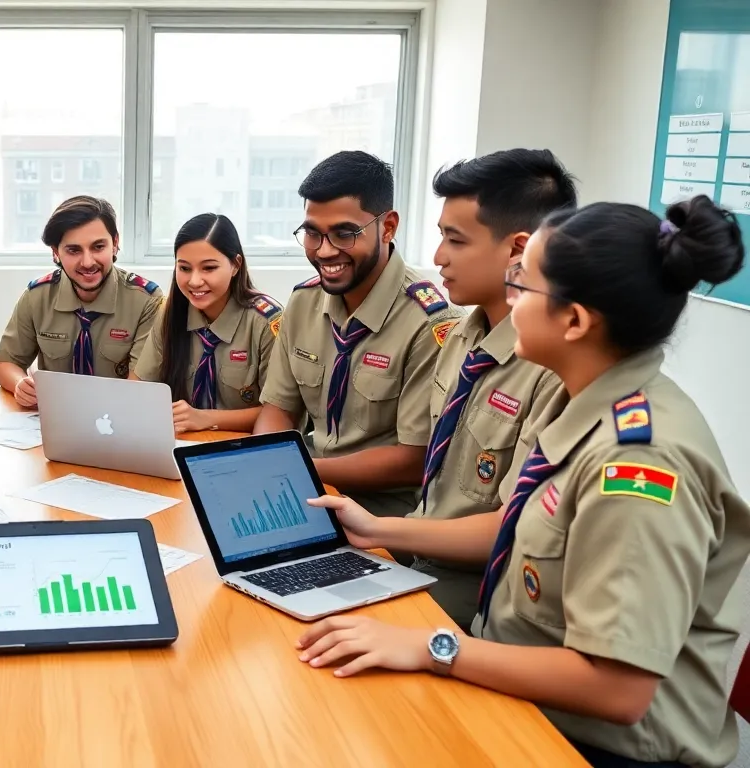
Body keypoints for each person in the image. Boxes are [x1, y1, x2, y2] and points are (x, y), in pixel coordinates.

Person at [297, 196, 749, 768]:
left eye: (522, 285)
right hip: (519, 686)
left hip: (598, 748)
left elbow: (617, 690)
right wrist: (376, 529)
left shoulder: (639, 466)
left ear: (576, 320)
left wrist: (433, 646)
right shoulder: (576, 398)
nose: (508, 300)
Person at [406, 149, 575, 629]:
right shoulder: (462, 334)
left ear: (518, 250)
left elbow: (513, 526)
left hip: (484, 585)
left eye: (454, 240)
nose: (438, 257)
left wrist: (379, 530)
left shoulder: (554, 369)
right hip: (423, 557)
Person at [255, 151, 463, 518]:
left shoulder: (430, 323)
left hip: (382, 514)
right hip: (304, 492)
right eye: (312, 233)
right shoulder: (304, 302)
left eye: (344, 234)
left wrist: (298, 470)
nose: (325, 251)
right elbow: (278, 410)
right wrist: (267, 468)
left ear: (388, 227)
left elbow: (412, 459)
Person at [0, 195, 164, 409]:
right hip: (53, 418)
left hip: (117, 418)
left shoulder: (147, 301)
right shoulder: (37, 296)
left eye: (98, 247)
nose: (87, 262)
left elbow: (139, 386)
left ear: (115, 244)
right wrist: (20, 384)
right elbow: (6, 363)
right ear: (56, 253)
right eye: (74, 250)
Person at [132, 213, 281, 433]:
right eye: (184, 268)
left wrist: (206, 418)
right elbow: (139, 389)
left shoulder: (265, 322)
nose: (194, 281)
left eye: (208, 268)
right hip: (180, 445)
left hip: (244, 448)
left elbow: (280, 413)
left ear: (235, 265)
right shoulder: (170, 314)